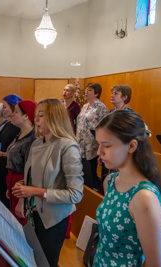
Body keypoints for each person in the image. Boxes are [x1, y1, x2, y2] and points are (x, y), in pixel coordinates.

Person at [12, 98, 84, 267]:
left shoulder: (68, 146)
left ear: (55, 118)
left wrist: (34, 191)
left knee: (46, 263)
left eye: (41, 116)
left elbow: (75, 194)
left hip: (54, 219)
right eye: (36, 115)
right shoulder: (37, 142)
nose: (35, 120)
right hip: (34, 212)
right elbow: (32, 177)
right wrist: (22, 189)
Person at [93, 110, 161, 267]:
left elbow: (157, 264)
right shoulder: (110, 182)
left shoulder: (144, 198)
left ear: (132, 146)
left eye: (106, 145)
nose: (99, 152)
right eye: (98, 144)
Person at [6, 100, 36, 224]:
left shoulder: (31, 140)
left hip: (21, 183)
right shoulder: (20, 134)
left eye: (16, 111)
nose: (12, 114)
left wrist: (21, 199)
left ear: (26, 116)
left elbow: (30, 173)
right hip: (14, 183)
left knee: (19, 224)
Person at [76, 83, 109, 193]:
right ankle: (84, 190)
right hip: (81, 144)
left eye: (89, 90)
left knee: (91, 171)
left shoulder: (101, 108)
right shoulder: (85, 106)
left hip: (92, 145)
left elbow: (105, 127)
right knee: (82, 170)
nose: (86, 92)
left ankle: (93, 192)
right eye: (86, 90)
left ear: (96, 93)